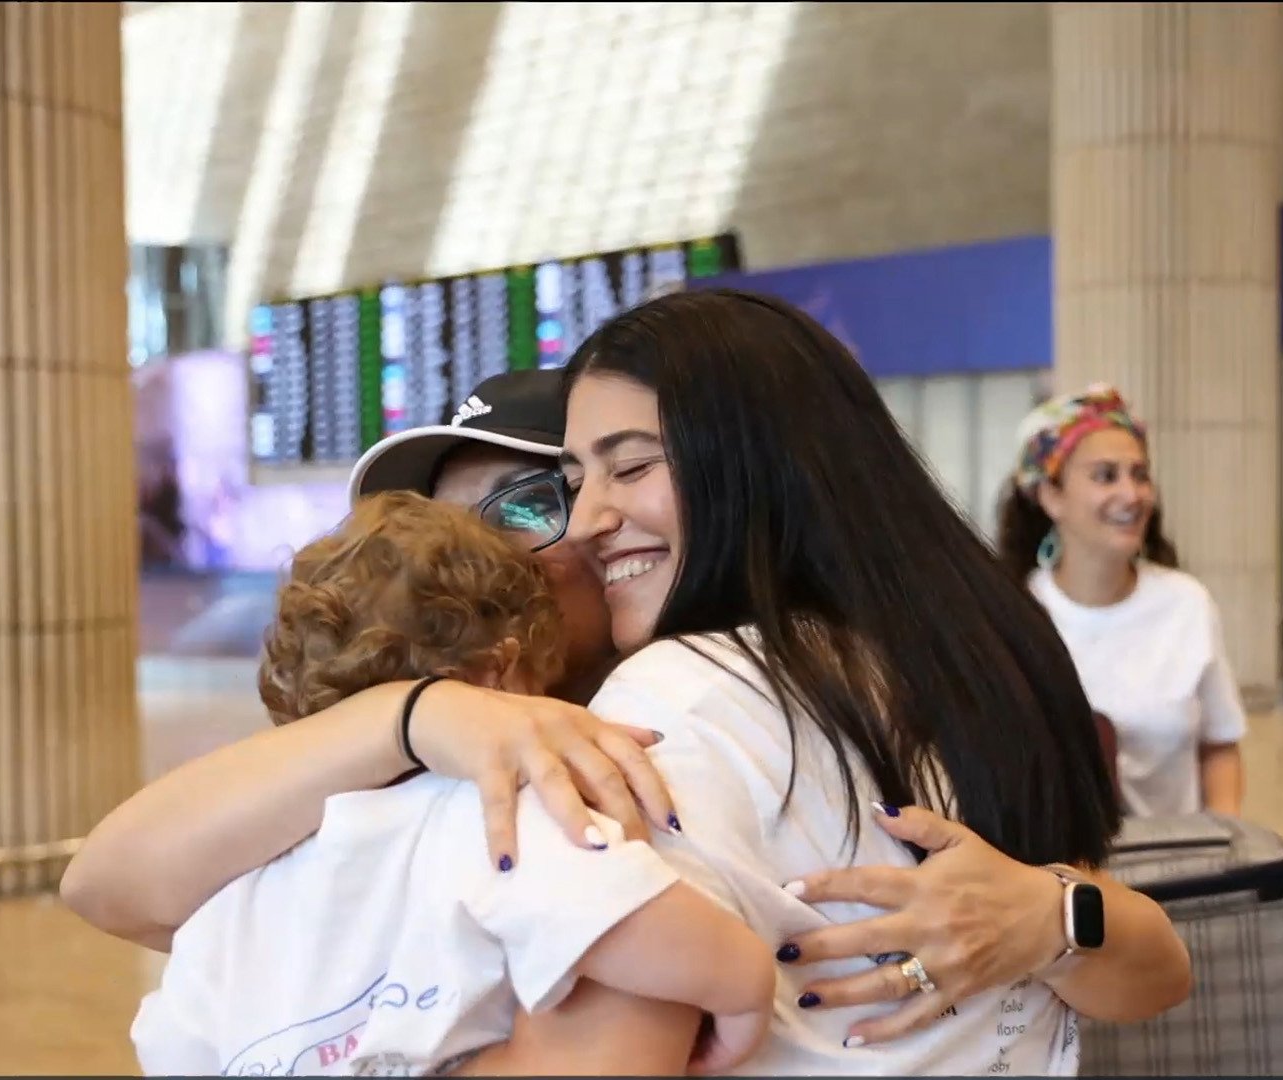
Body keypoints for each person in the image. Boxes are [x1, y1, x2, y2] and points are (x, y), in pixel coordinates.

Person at [64, 357, 1188, 1054]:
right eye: (445, 537)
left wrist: (1054, 914)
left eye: (527, 501)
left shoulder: (705, 720)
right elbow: (109, 883)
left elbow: (1145, 965)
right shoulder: (432, 761)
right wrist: (417, 716)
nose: (572, 530)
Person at [534, 287, 1189, 1072]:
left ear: (757, 462)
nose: (585, 522)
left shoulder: (670, 705)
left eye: (631, 465)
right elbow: (1142, 973)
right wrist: (1057, 919)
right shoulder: (980, 651)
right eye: (574, 483)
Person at [131, 492, 775, 1075]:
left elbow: (172, 1042)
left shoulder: (240, 886)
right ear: (503, 672)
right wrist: (744, 987)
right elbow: (627, 922)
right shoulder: (498, 813)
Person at [993, 385, 1246, 818]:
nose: (1132, 495)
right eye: (1105, 475)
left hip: (1176, 870)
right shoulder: (1014, 614)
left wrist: (1226, 839)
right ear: (1051, 496)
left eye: (1140, 474)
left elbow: (1219, 743)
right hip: (1057, 876)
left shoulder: (1186, 604)